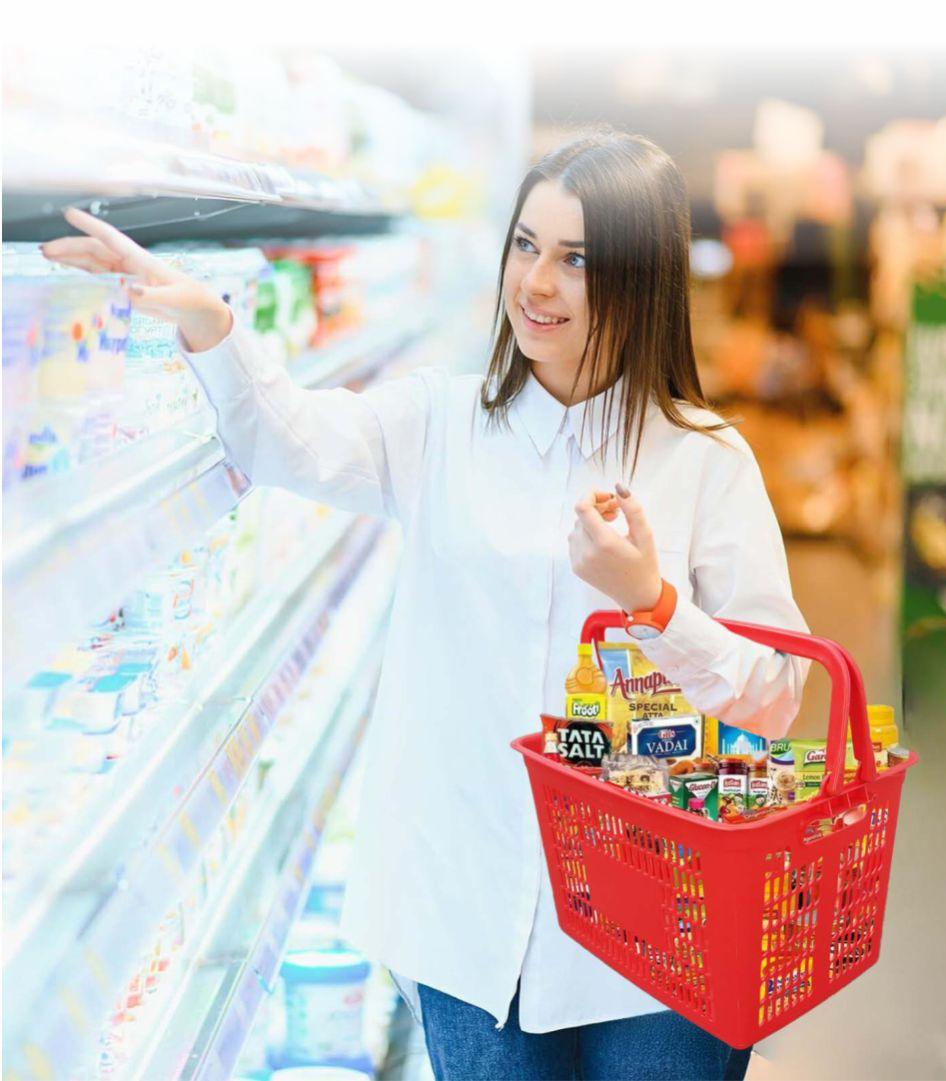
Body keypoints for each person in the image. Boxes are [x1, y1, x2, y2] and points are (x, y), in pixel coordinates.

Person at [43, 127, 809, 1081]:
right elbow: (293, 440)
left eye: (575, 259)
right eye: (525, 245)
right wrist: (209, 320)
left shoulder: (704, 459)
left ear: (641, 279)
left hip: (664, 937)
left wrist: (650, 603)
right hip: (467, 920)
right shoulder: (441, 423)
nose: (535, 282)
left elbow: (775, 694)